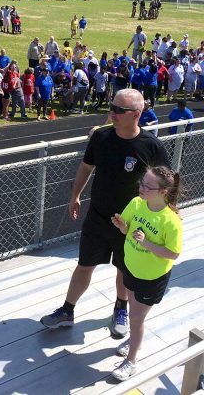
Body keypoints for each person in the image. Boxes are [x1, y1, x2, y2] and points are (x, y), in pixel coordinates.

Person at [40, 89, 169, 340]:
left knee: (123, 269)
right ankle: (67, 310)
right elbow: (86, 167)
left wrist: (168, 212)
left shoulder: (151, 146)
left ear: (137, 114)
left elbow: (167, 182)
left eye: (120, 110)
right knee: (83, 265)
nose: (112, 113)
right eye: (112, 107)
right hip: (97, 217)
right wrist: (75, 195)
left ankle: (120, 309)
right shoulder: (100, 137)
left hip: (130, 224)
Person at [110, 166, 182, 380]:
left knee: (136, 318)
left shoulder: (170, 221)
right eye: (141, 183)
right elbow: (127, 230)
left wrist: (147, 243)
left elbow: (173, 253)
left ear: (163, 191)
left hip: (151, 277)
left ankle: (131, 362)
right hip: (131, 267)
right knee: (134, 312)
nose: (141, 188)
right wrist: (121, 225)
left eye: (147, 186)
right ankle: (133, 339)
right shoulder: (136, 203)